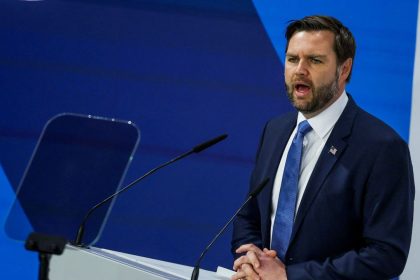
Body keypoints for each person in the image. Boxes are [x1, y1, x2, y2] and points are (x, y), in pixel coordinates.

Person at [231, 15, 415, 280]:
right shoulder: (275, 130)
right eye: (293, 59)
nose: (299, 70)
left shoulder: (382, 147)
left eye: (315, 60)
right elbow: (249, 215)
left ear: (344, 69)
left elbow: (385, 254)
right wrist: (253, 260)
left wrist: (290, 277)